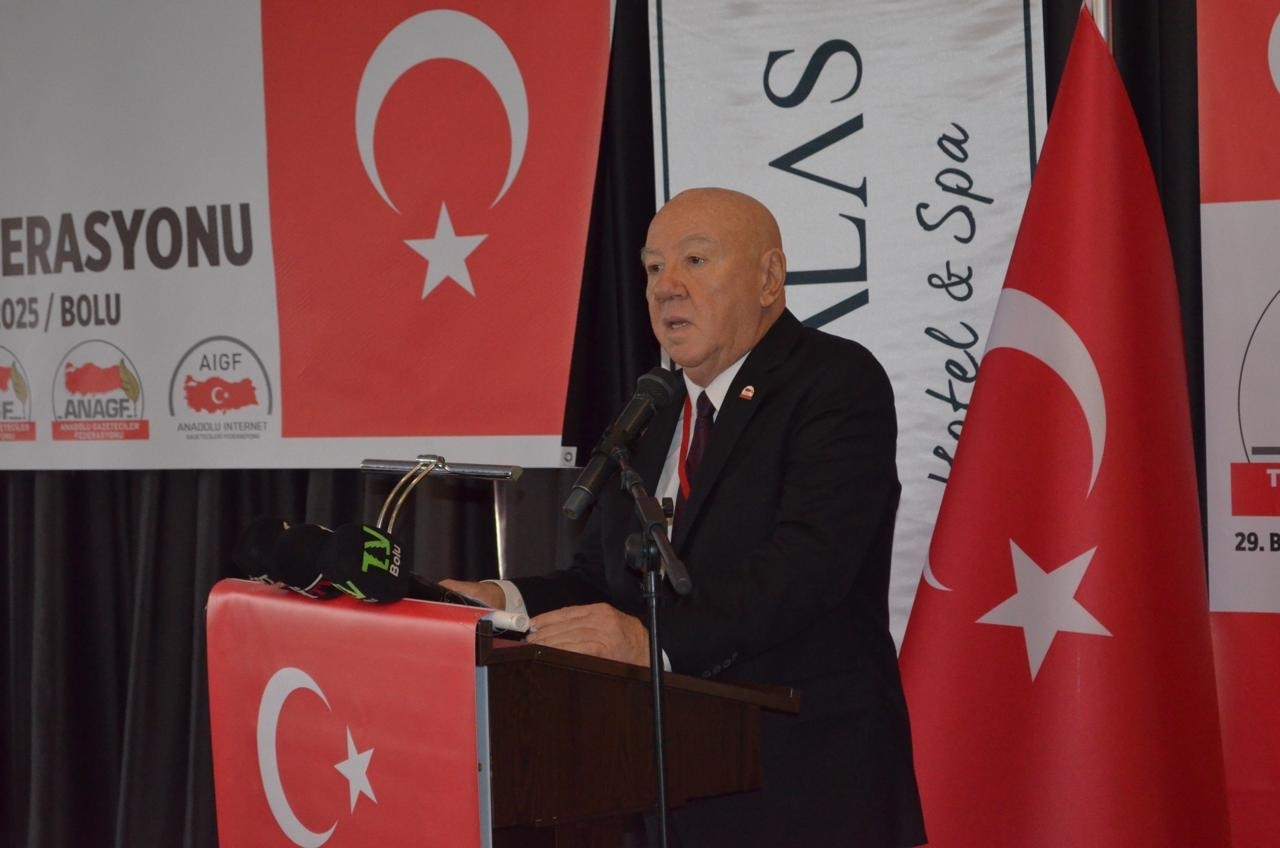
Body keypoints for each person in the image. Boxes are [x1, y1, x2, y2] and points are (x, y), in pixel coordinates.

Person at [443, 187, 925, 846]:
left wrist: (650, 642)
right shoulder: (653, 408)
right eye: (652, 267)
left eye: (695, 261)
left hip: (805, 785)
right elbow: (603, 580)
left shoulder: (835, 381)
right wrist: (505, 602)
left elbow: (806, 568)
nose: (666, 286)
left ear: (769, 278)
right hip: (666, 787)